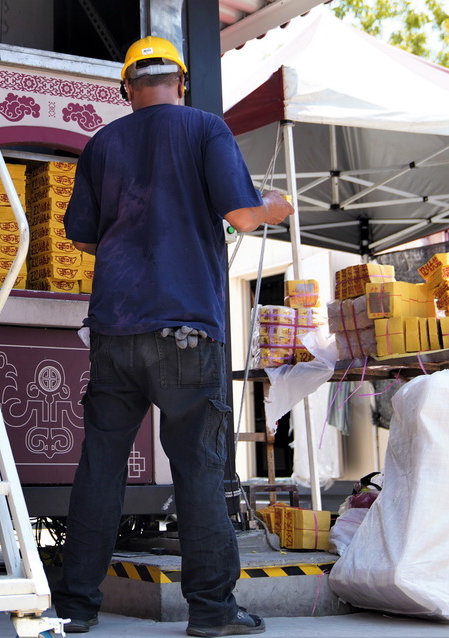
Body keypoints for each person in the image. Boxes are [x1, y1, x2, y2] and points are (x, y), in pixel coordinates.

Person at [51, 36, 292, 637]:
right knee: (200, 470)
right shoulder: (206, 129)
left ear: (126, 88)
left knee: (101, 467)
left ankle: (76, 606)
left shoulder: (103, 143)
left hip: (113, 330)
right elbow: (240, 215)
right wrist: (275, 208)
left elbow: (81, 237)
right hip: (187, 330)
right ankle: (212, 612)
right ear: (181, 82)